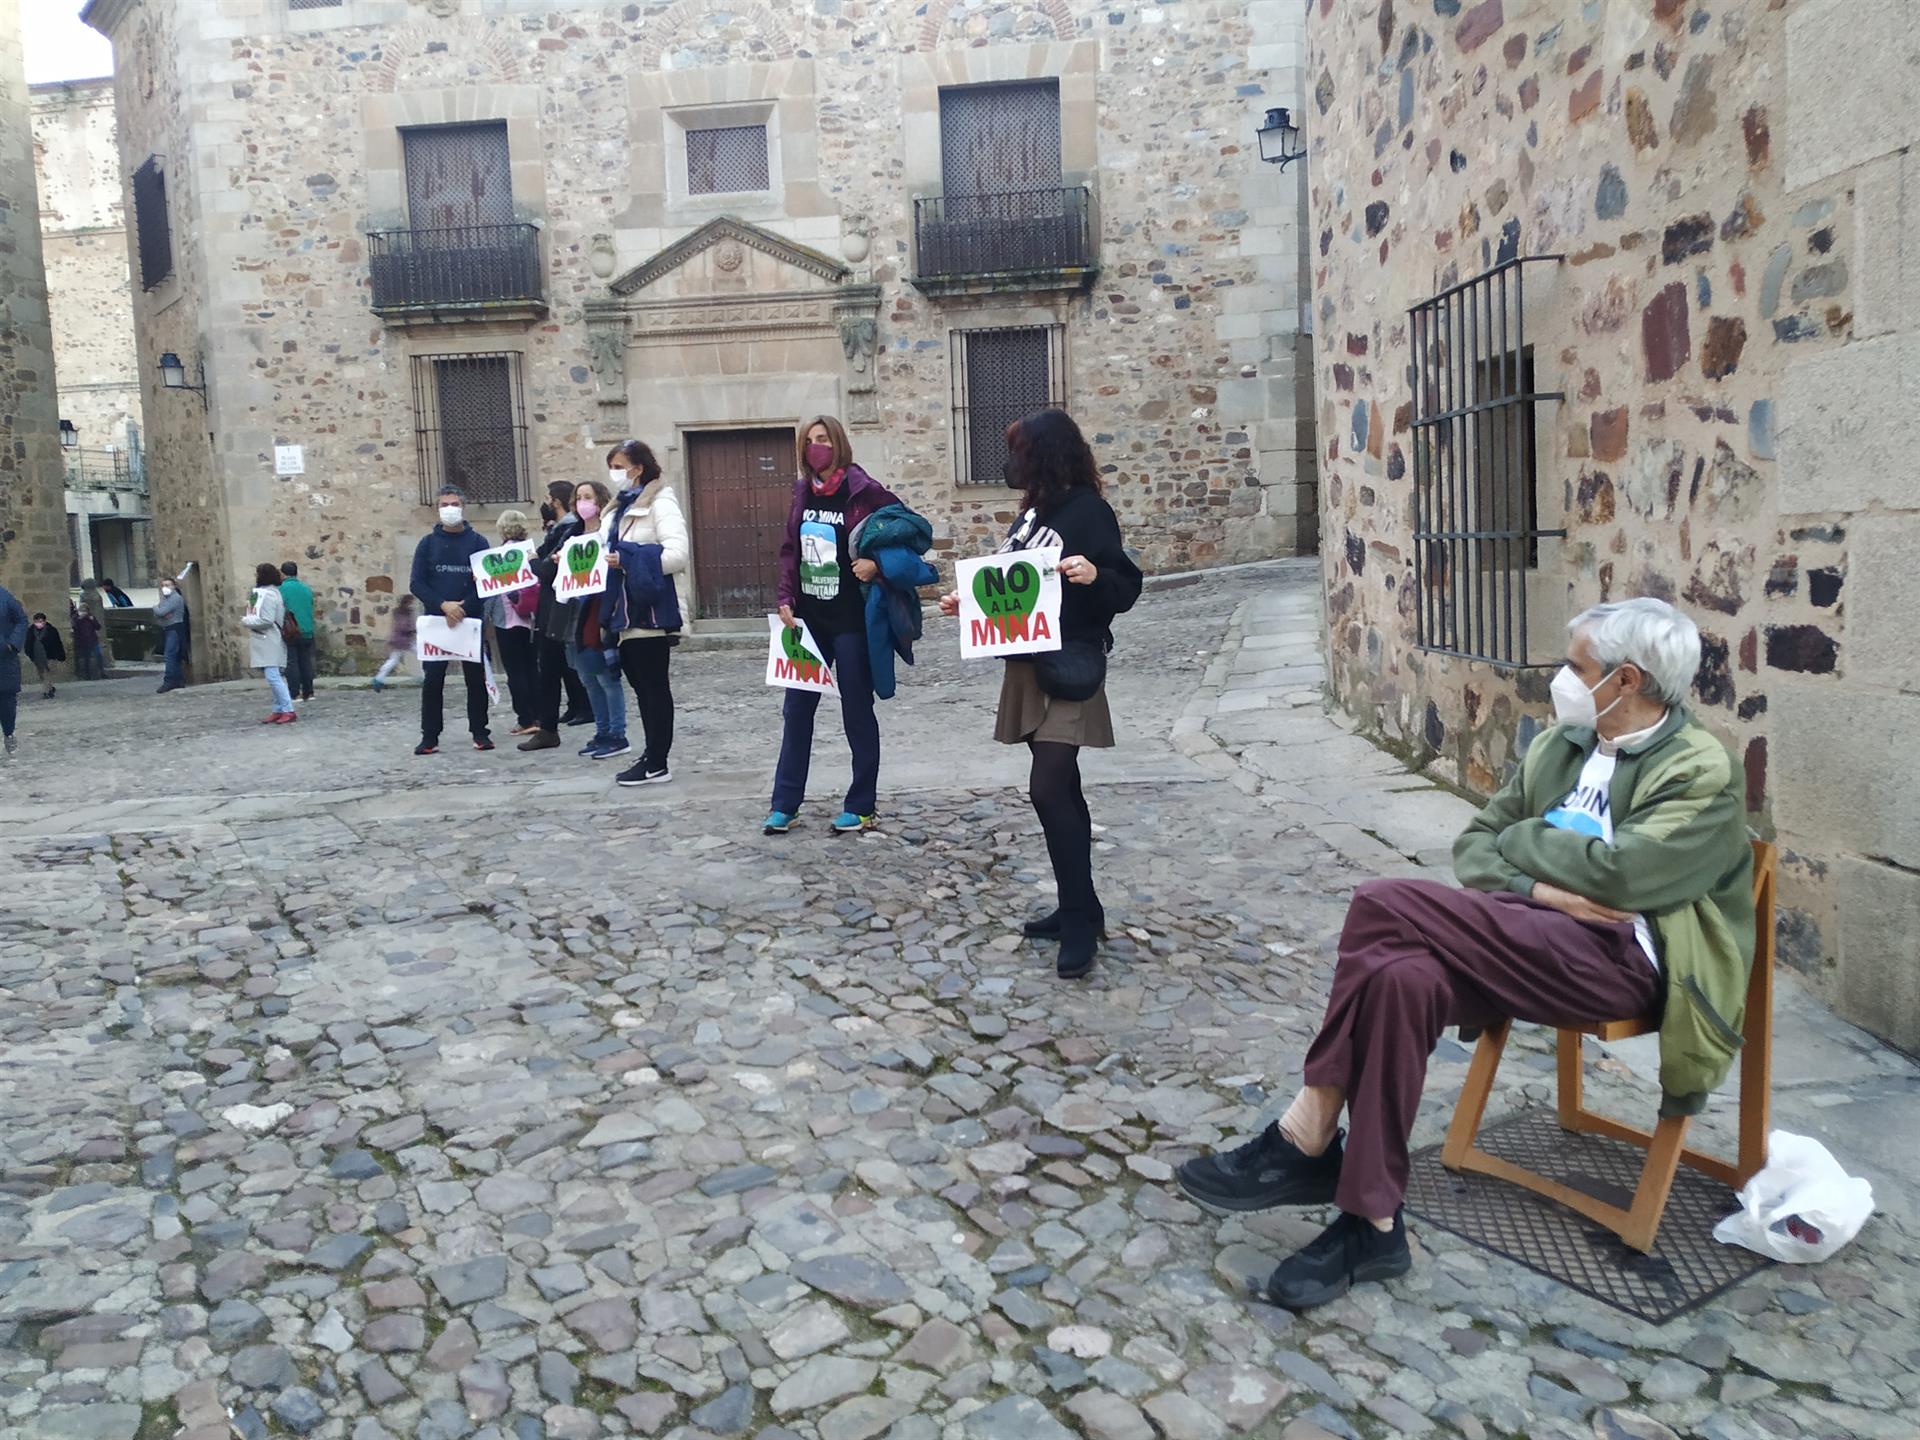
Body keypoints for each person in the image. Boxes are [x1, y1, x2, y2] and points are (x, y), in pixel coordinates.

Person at [1176, 598, 1754, 1311]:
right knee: (1400, 979)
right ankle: (1372, 1225)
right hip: (1520, 932)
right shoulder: (1562, 745)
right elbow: (1476, 847)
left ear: (1627, 679)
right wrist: (1546, 886)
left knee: (1382, 903)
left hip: (1623, 964)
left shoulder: (1703, 768)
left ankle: (1309, 1128)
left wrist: (1529, 852)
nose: (1561, 679)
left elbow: (1624, 877)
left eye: (1577, 666)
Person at [937, 411, 1142, 980]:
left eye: (1020, 450)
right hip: (1030, 666)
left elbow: (1125, 585)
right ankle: (1082, 907)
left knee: (1049, 788)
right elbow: (1008, 580)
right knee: (1062, 792)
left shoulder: (1088, 512)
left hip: (1069, 663)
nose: (1012, 463)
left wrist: (1091, 575)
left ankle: (1078, 920)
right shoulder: (1033, 515)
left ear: (1046, 454)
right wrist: (967, 601)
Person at [765, 416, 910, 836]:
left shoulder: (865, 491)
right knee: (797, 712)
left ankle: (862, 804)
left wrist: (878, 564)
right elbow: (791, 549)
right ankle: (784, 804)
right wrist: (785, 597)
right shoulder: (800, 491)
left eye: (823, 439)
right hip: (809, 625)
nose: (816, 447)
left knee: (856, 711)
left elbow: (910, 535)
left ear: (838, 444)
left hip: (851, 621)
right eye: (809, 441)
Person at [605, 439, 689, 787]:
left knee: (654, 688)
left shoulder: (660, 502)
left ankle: (657, 761)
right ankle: (651, 754)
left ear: (637, 468)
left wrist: (628, 559)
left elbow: (677, 555)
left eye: (619, 466)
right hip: (621, 612)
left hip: (649, 612)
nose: (614, 474)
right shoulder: (616, 509)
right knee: (641, 688)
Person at [409, 484, 493, 755]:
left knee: (475, 680)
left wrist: (464, 607)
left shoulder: (478, 542)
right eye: (443, 505)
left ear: (463, 507)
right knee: (433, 681)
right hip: (437, 622)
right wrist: (443, 605)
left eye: (453, 504)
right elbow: (417, 583)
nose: (449, 509)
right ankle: (429, 736)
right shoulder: (427, 544)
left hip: (470, 621)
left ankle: (480, 732)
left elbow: (486, 582)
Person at [557, 478, 629, 761]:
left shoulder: (611, 532)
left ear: (600, 501)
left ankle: (617, 733)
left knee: (607, 676)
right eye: (578, 497)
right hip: (575, 611)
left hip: (600, 609)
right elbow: (546, 564)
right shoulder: (571, 535)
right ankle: (601, 732)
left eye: (588, 496)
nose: (582, 502)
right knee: (587, 677)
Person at [485, 509, 541, 734]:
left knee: (515, 671)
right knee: (532, 669)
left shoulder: (496, 557)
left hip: (506, 620)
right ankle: (538, 715)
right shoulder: (532, 554)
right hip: (531, 620)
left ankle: (525, 718)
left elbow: (491, 593)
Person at [241, 562, 296, 725]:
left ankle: (288, 709)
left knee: (273, 676)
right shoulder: (266, 593)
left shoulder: (269, 594)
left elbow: (266, 620)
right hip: (267, 639)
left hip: (270, 638)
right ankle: (278, 708)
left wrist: (246, 621)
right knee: (275, 675)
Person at [278, 562, 317, 702]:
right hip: (307, 629)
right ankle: (309, 692)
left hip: (291, 631)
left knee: (292, 662)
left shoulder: (281, 589)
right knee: (306, 661)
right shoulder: (306, 589)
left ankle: (295, 693)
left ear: (282, 573)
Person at [0, 584, 26, 757]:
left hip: (4, 658)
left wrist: (12, 644)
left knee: (7, 702)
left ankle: (9, 733)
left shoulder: (4, 597)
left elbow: (22, 620)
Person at [372, 596, 417, 690]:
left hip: (399, 639)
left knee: (393, 660)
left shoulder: (400, 612)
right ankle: (426, 676)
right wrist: (413, 630)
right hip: (403, 639)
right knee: (422, 654)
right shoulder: (403, 613)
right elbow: (403, 626)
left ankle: (378, 678)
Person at [155, 577, 188, 693]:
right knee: (173, 655)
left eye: (168, 585)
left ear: (174, 586)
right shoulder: (166, 599)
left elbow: (160, 612)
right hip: (168, 628)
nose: (165, 587)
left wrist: (156, 609)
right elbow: (160, 616)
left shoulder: (175, 599)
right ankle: (178, 680)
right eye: (163, 585)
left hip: (174, 629)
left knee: (170, 655)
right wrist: (161, 613)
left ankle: (170, 680)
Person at [26, 613, 65, 698]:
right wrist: (29, 654)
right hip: (37, 657)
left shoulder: (52, 630)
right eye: (36, 621)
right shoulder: (31, 631)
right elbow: (28, 643)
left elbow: (58, 643)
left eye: (40, 621)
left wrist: (61, 655)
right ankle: (50, 687)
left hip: (51, 655)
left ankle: (46, 692)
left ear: (44, 621)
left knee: (48, 673)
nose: (38, 623)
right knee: (42, 674)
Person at [72, 603, 104, 680]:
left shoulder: (90, 617)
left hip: (93, 640)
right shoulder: (76, 618)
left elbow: (98, 627)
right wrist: (80, 618)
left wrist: (92, 620)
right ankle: (87, 675)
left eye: (85, 610)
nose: (84, 612)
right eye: (82, 610)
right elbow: (74, 627)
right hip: (83, 641)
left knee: (98, 655)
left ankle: (102, 672)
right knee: (87, 658)